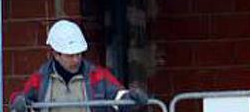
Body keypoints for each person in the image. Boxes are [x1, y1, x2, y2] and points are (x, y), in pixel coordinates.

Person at [9, 20, 149, 112]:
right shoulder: (40, 79)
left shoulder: (99, 76)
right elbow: (21, 99)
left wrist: (133, 97)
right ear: (55, 54)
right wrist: (18, 101)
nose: (76, 59)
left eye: (79, 54)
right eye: (70, 55)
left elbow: (118, 97)